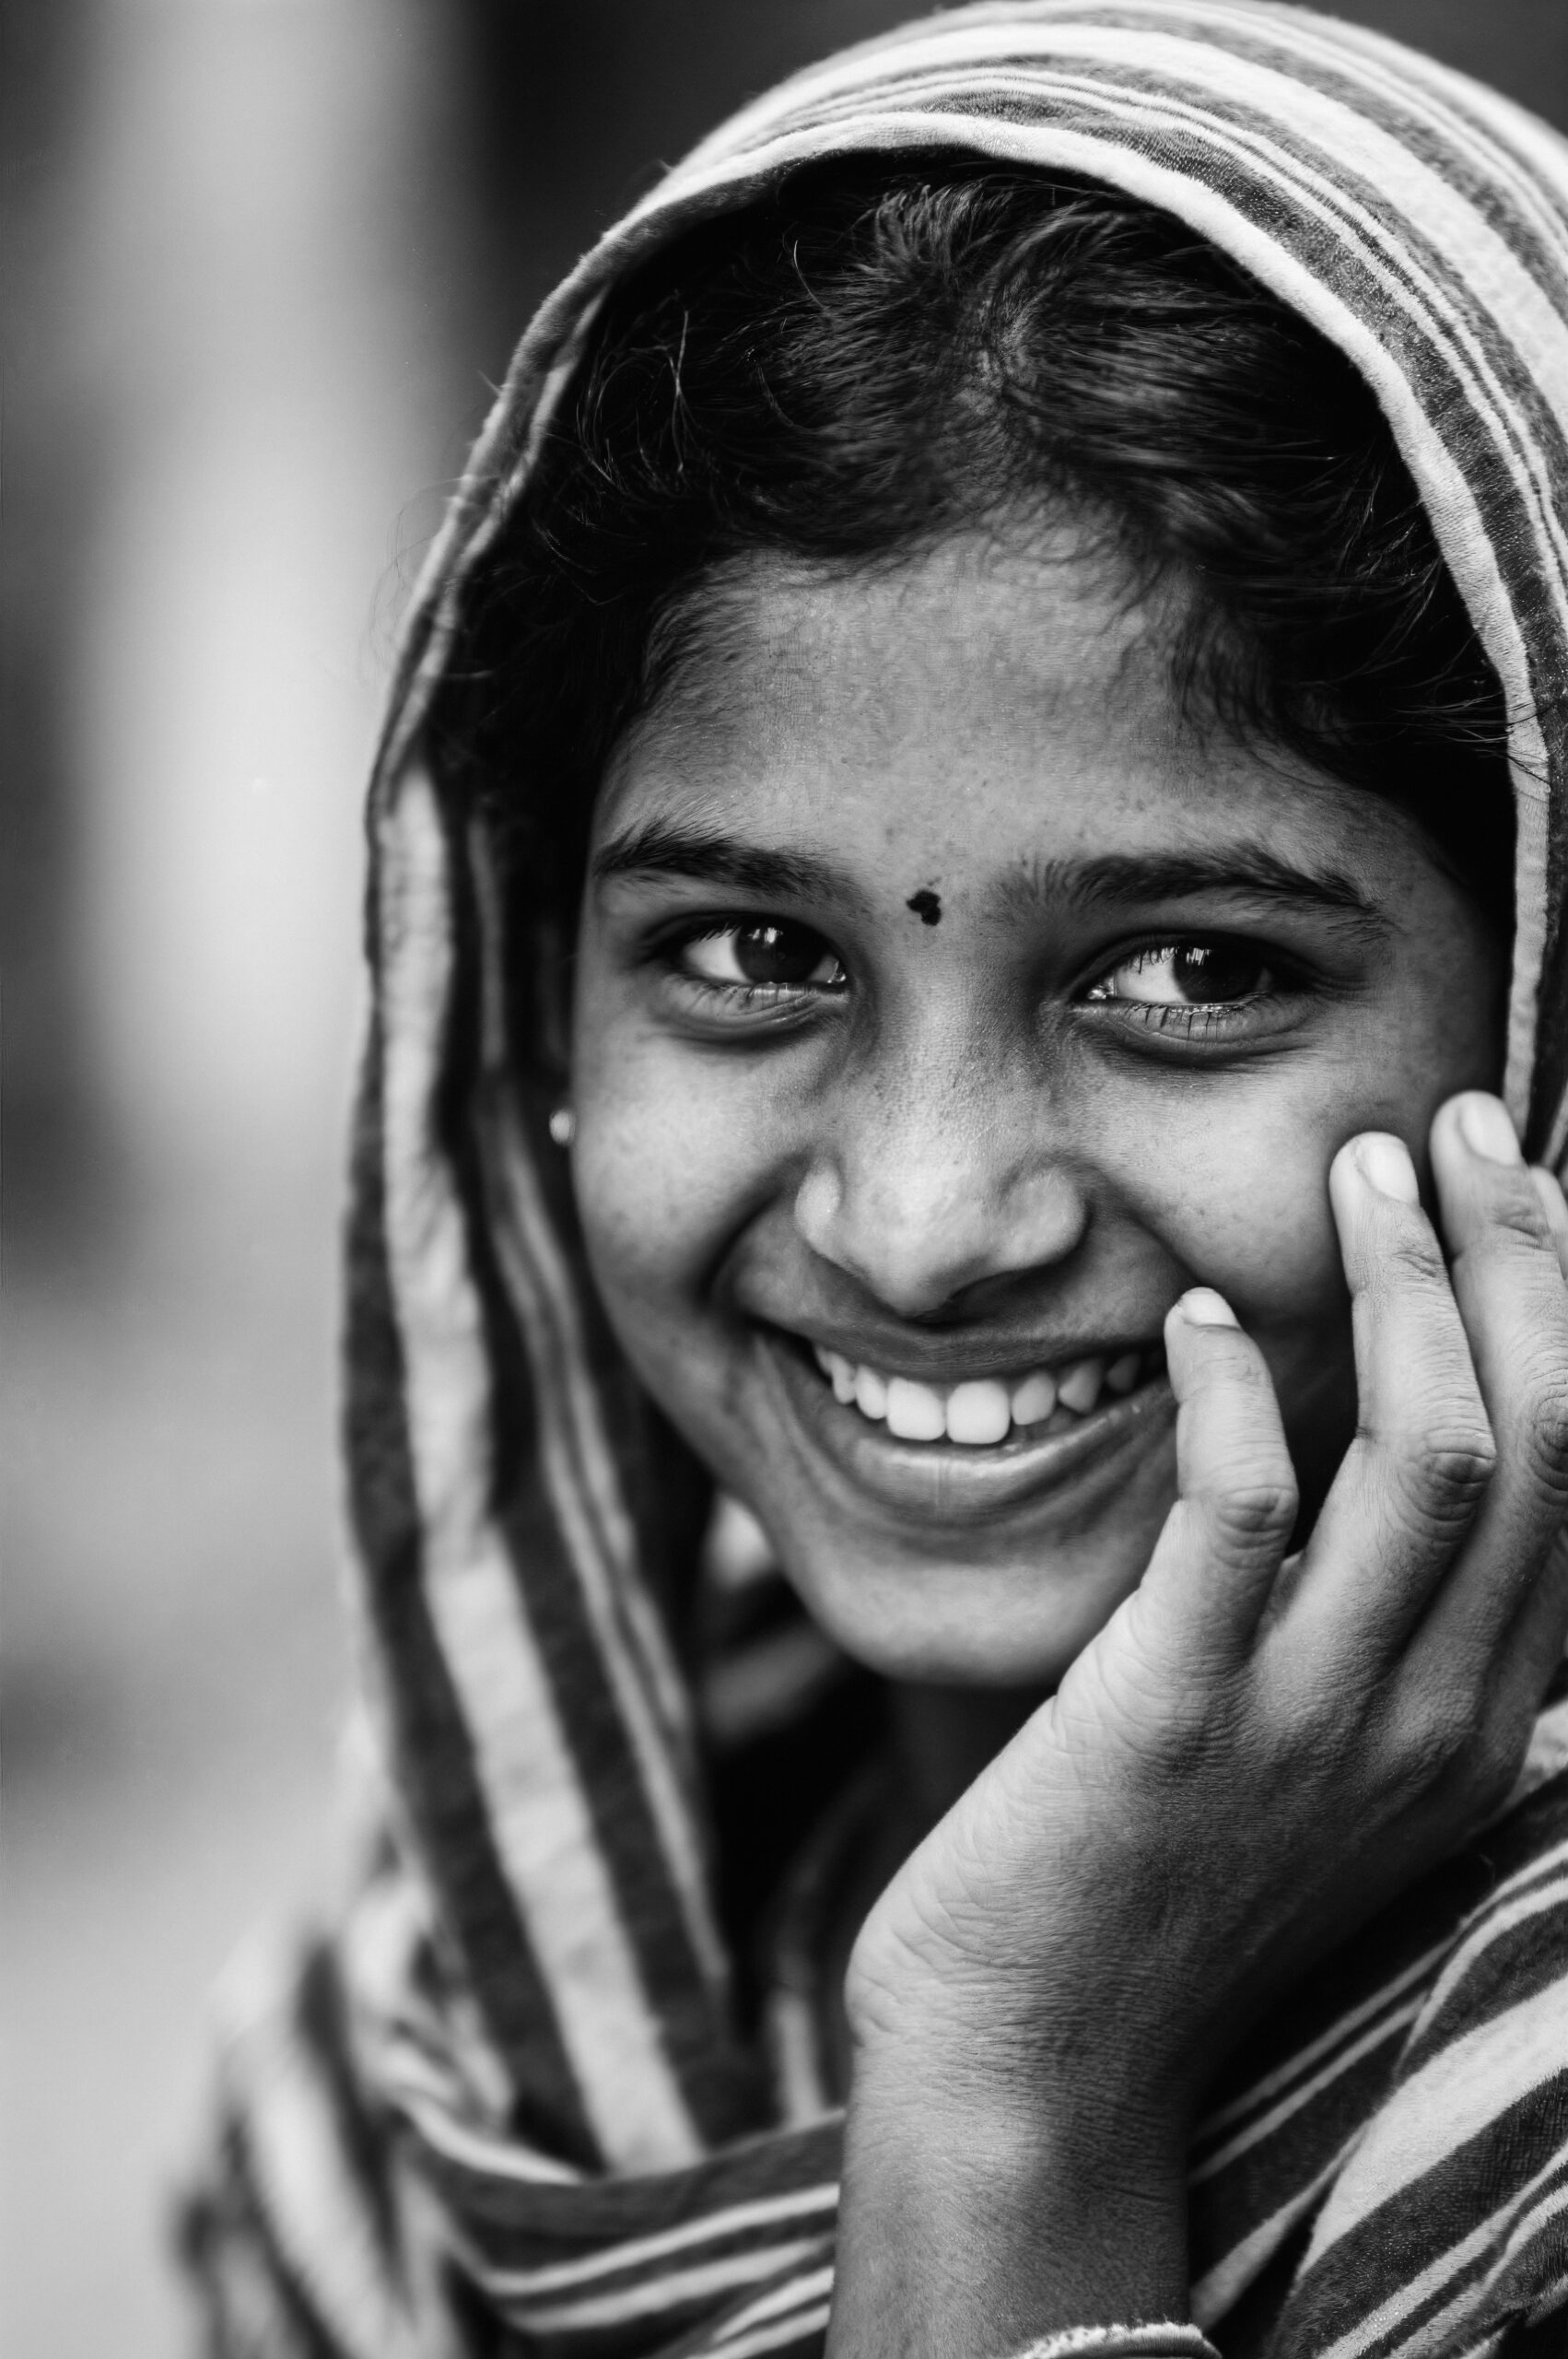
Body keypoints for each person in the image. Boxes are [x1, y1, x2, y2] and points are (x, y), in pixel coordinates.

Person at [182, 6, 1568, 2354]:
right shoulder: (431, 2021)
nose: (920, 1225)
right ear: (531, 1007)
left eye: (1191, 970)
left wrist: (1015, 2086)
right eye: (746, 953)